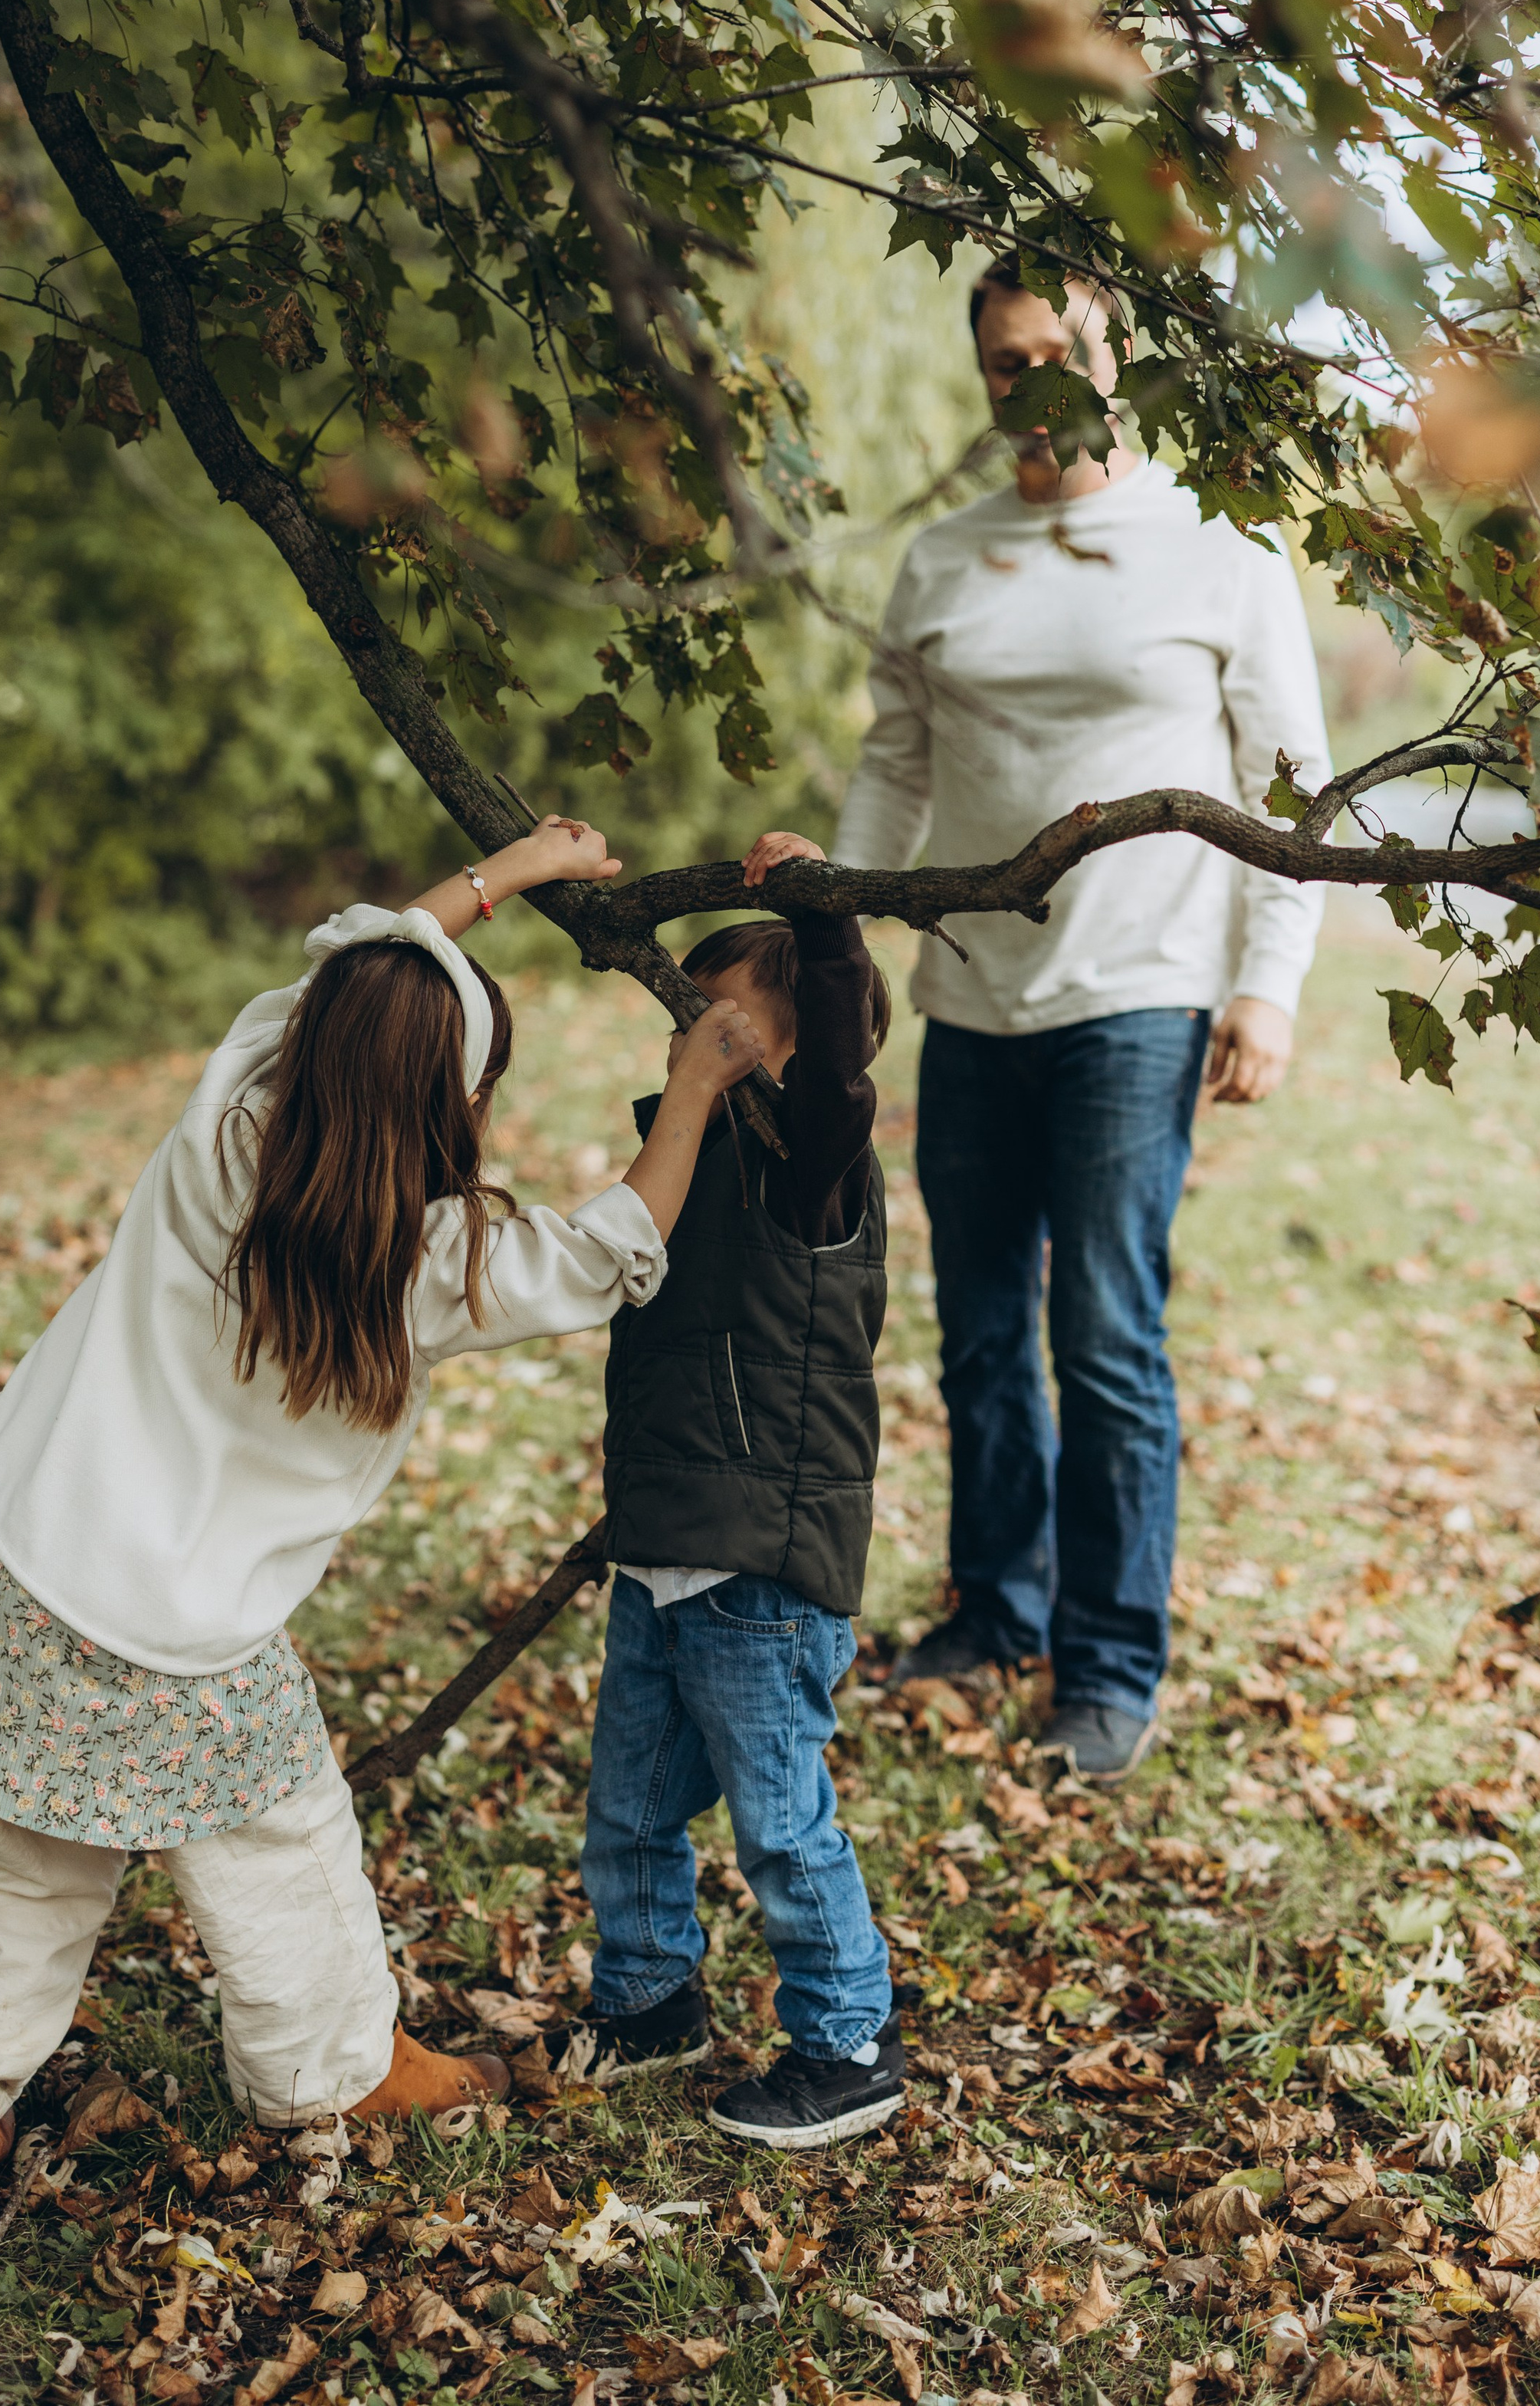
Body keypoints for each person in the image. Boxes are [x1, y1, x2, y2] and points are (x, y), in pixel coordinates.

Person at [0, 814, 767, 2230]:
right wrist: (695, 1086)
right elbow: (613, 1249)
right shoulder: (428, 1261)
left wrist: (503, 877)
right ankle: (332, 2073)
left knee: (31, 1880)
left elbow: (358, 955)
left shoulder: (228, 1110)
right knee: (286, 1857)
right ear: (446, 1108)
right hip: (188, 1634)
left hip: (44, 1557)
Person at [833, 260, 1332, 1781]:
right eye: (1004, 362)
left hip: (1141, 993)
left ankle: (1106, 1665)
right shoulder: (941, 559)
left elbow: (1291, 784)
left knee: (1102, 1333)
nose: (1032, 383)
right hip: (967, 996)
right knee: (978, 1335)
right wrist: (835, 920)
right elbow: (892, 767)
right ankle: (995, 1610)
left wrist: (1266, 982)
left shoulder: (1216, 546)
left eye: (1059, 353)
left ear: (1115, 359)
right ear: (979, 375)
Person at [549, 833, 901, 2151]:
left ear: (793, 1042)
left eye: (722, 1021)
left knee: (780, 1821)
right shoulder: (683, 1160)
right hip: (667, 1547)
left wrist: (819, 908)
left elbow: (846, 1059)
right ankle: (649, 1998)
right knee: (631, 1805)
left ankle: (849, 2037)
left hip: (760, 1560)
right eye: (682, 1015)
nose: (690, 1039)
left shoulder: (816, 1165)